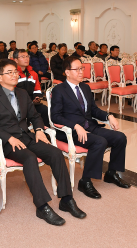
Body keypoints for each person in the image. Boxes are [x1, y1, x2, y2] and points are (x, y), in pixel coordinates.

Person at [0, 59, 86, 226]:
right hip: (8, 142)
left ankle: (66, 199)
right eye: (10, 72)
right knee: (30, 158)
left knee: (55, 153)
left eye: (15, 71)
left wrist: (38, 130)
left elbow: (35, 116)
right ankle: (42, 206)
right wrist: (9, 138)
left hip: (27, 137)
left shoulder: (23, 93)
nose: (15, 74)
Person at [51, 56, 130, 199]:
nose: (81, 72)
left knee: (120, 137)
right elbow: (55, 116)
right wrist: (74, 126)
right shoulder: (59, 90)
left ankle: (111, 173)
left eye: (82, 68)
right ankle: (85, 181)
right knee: (100, 142)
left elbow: (93, 110)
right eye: (77, 69)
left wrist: (108, 116)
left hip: (90, 126)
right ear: (67, 72)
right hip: (72, 132)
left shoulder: (85, 87)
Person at [14, 49, 50, 127]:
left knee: (44, 109)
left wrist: (36, 97)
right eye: (23, 57)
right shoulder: (14, 74)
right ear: (16, 60)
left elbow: (37, 88)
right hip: (18, 104)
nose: (26, 59)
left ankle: (45, 133)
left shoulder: (33, 73)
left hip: (31, 102)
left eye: (27, 56)